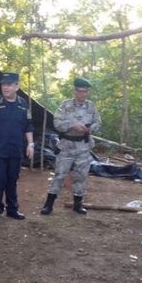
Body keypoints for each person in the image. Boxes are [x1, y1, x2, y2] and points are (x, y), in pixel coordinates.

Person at [40, 77, 101, 215]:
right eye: (80, 91)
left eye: (85, 92)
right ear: (74, 91)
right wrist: (73, 125)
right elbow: (57, 124)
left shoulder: (91, 106)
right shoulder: (65, 106)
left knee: (81, 176)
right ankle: (48, 205)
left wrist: (91, 129)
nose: (83, 94)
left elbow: (98, 122)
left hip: (84, 146)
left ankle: (78, 204)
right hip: (67, 146)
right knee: (59, 175)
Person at [0, 72, 34, 222]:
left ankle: (12, 209)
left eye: (9, 84)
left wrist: (30, 144)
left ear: (17, 86)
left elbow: (28, 126)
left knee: (12, 179)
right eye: (3, 84)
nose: (5, 87)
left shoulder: (23, 104)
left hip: (16, 149)